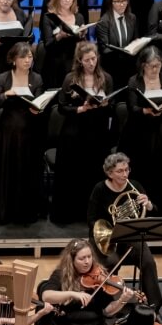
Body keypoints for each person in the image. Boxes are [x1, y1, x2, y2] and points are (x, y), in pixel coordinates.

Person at [86, 152, 162, 310]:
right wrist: (106, 231)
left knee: (148, 261)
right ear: (109, 173)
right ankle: (109, 305)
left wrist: (148, 205)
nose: (125, 174)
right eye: (120, 171)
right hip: (106, 239)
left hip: (130, 236)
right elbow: (91, 219)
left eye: (127, 170)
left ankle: (154, 305)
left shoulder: (135, 186)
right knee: (111, 263)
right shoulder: (99, 189)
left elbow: (155, 212)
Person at [51, 43, 113, 224]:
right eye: (87, 60)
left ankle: (92, 215)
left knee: (93, 173)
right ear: (79, 60)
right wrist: (80, 108)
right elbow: (61, 107)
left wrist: (105, 105)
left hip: (97, 132)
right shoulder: (70, 78)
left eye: (94, 59)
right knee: (72, 174)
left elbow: (113, 106)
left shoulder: (106, 78)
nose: (91, 63)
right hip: (74, 132)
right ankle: (69, 214)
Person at [0, 41, 43, 224]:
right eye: (23, 57)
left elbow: (40, 103)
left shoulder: (37, 79)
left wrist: (38, 109)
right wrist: (7, 94)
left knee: (26, 170)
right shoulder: (3, 77)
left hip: (28, 131)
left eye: (30, 57)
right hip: (8, 132)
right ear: (14, 60)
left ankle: (24, 212)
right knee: (7, 170)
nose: (28, 60)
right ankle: (3, 211)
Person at [121, 45, 162, 201]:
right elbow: (132, 107)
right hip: (139, 131)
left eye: (158, 65)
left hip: (160, 130)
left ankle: (157, 202)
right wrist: (146, 111)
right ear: (143, 65)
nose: (156, 69)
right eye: (152, 66)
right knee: (141, 167)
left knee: (159, 167)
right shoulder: (134, 80)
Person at [39, 0, 88, 89]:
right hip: (55, 65)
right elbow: (48, 45)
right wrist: (59, 36)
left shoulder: (79, 17)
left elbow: (83, 47)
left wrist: (82, 35)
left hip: (74, 63)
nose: (67, 0)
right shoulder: (49, 17)